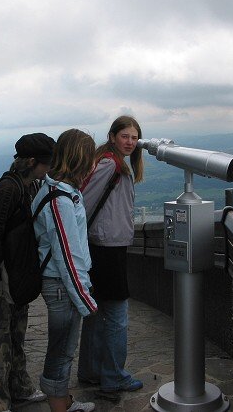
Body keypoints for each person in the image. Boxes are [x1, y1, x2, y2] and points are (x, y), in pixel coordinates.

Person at [0, 133, 54, 412]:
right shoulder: (8, 190)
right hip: (1, 275)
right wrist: (0, 277)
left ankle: (19, 388)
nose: (49, 169)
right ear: (32, 162)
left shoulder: (27, 186)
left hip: (14, 272)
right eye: (46, 163)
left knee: (15, 334)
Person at [77, 116, 144, 396]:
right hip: (106, 248)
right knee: (117, 316)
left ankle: (91, 371)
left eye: (134, 137)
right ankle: (114, 376)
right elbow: (84, 203)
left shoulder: (112, 162)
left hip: (102, 246)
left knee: (95, 314)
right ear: (113, 136)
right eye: (125, 136)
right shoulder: (110, 164)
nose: (130, 142)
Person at [32, 129, 98, 412]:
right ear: (80, 158)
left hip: (62, 283)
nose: (93, 163)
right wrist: (85, 298)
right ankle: (60, 407)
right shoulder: (59, 199)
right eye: (91, 157)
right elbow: (68, 256)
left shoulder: (62, 192)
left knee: (63, 348)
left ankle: (63, 400)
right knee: (62, 351)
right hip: (62, 286)